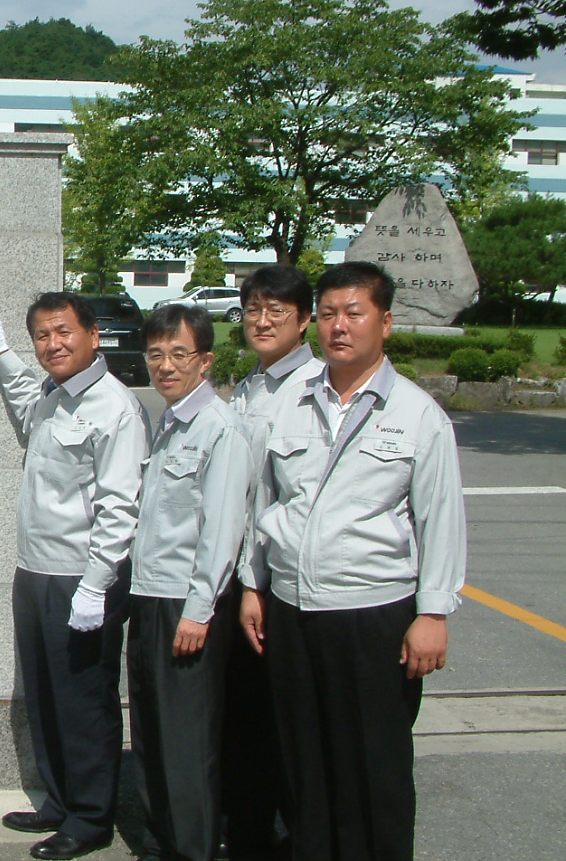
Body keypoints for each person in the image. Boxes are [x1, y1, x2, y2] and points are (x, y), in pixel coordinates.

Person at [239, 261, 467, 861]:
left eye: (355, 313)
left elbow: (441, 520)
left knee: (374, 766)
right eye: (332, 314)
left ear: (385, 322)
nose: (340, 327)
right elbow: (267, 499)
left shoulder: (419, 416)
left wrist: (434, 613)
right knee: (303, 763)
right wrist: (253, 586)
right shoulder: (293, 401)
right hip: (291, 609)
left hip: (373, 615)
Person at [0, 293, 149, 861]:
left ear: (93, 335)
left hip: (81, 578)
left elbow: (120, 506)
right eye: (43, 335)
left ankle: (91, 817)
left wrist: (96, 585)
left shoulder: (115, 407)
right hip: (36, 572)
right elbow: (26, 397)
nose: (54, 344)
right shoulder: (52, 396)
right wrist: (0, 352)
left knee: (84, 699)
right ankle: (59, 799)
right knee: (46, 693)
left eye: (64, 332)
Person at [128, 303, 252, 861]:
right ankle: (161, 843)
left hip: (188, 606)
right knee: (152, 732)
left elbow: (222, 530)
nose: (166, 365)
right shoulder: (170, 419)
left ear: (205, 360)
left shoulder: (219, 428)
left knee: (187, 742)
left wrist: (199, 610)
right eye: (156, 354)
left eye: (179, 354)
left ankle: (194, 849)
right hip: (151, 598)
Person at [223, 264, 323, 860]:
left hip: (278, 577)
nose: (261, 321)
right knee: (248, 710)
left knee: (285, 714)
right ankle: (251, 827)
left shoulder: (312, 385)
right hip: (238, 571)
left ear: (304, 320)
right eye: (253, 310)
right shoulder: (251, 384)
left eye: (276, 312)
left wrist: (257, 580)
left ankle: (291, 829)